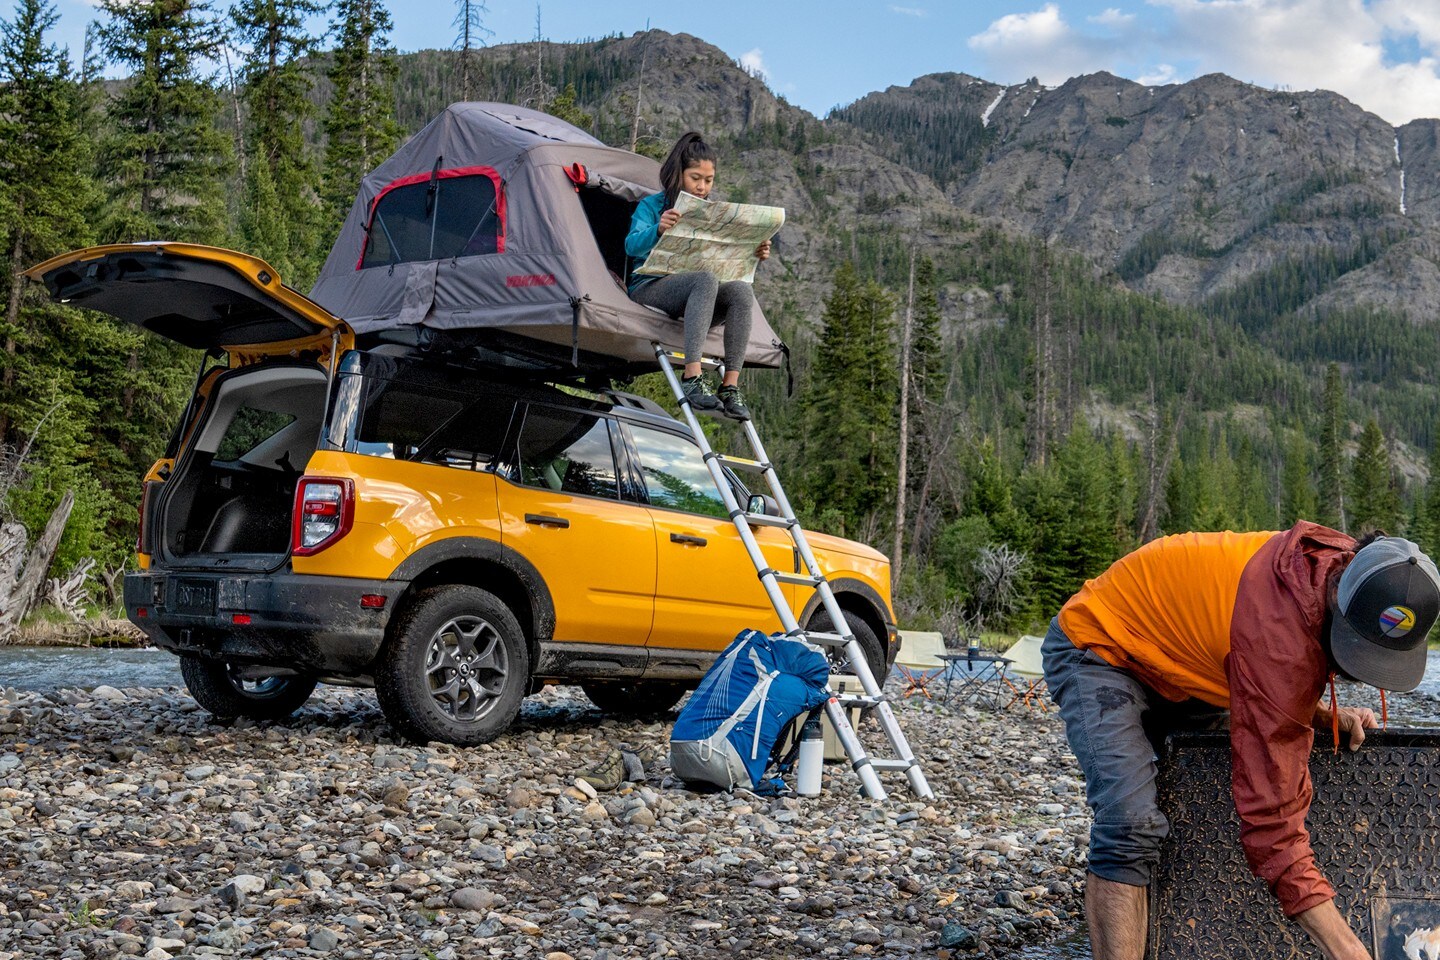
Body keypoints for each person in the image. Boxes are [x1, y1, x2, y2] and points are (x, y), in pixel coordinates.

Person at [1042, 523, 1440, 960]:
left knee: (1212, 800)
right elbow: (1273, 828)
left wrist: (1322, 715)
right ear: (1337, 600)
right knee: (1130, 824)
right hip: (1102, 646)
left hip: (1190, 663)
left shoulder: (1360, 567)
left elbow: (1263, 681)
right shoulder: (1278, 636)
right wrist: (1349, 951)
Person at [625, 131, 771, 421]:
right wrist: (657, 230)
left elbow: (724, 261)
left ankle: (730, 386)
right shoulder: (652, 206)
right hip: (649, 287)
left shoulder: (712, 212)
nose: (702, 187)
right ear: (678, 174)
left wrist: (754, 251)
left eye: (709, 180)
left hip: (694, 294)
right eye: (696, 178)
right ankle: (693, 377)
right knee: (704, 279)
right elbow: (631, 245)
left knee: (741, 291)